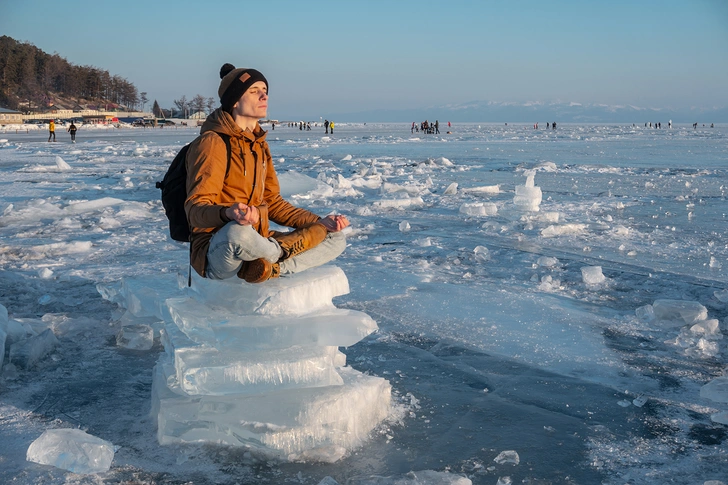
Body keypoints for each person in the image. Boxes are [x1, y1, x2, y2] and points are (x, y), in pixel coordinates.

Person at [184, 63, 349, 283]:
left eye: (265, 91)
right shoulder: (212, 143)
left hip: (258, 240)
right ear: (234, 100)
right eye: (254, 91)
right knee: (238, 232)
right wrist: (228, 213)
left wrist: (319, 222)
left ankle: (268, 268)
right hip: (219, 248)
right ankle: (278, 254)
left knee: (335, 238)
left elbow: (272, 203)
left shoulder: (258, 145)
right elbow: (194, 210)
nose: (264, 96)